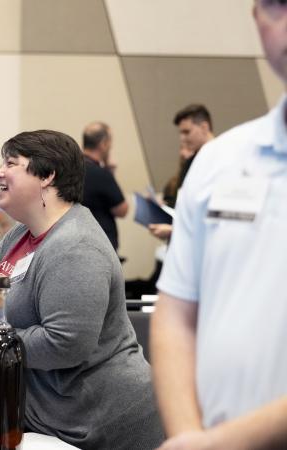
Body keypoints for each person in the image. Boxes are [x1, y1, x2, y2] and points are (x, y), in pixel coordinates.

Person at [0, 130, 164, 449]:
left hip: (100, 424)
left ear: (47, 176)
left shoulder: (75, 246)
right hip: (57, 418)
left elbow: (65, 343)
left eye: (11, 163)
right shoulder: (23, 233)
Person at [151, 2, 287, 448]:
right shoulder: (219, 162)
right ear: (256, 19)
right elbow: (175, 315)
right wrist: (189, 435)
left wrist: (223, 442)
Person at [148, 104, 214, 241]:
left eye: (187, 132)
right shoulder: (191, 162)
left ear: (204, 127)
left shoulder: (223, 159)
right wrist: (163, 207)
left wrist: (175, 230)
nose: (182, 139)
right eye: (180, 133)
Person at [81, 121, 127, 251]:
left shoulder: (71, 168)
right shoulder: (101, 174)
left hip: (77, 240)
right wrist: (109, 173)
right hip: (101, 243)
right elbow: (122, 210)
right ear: (103, 144)